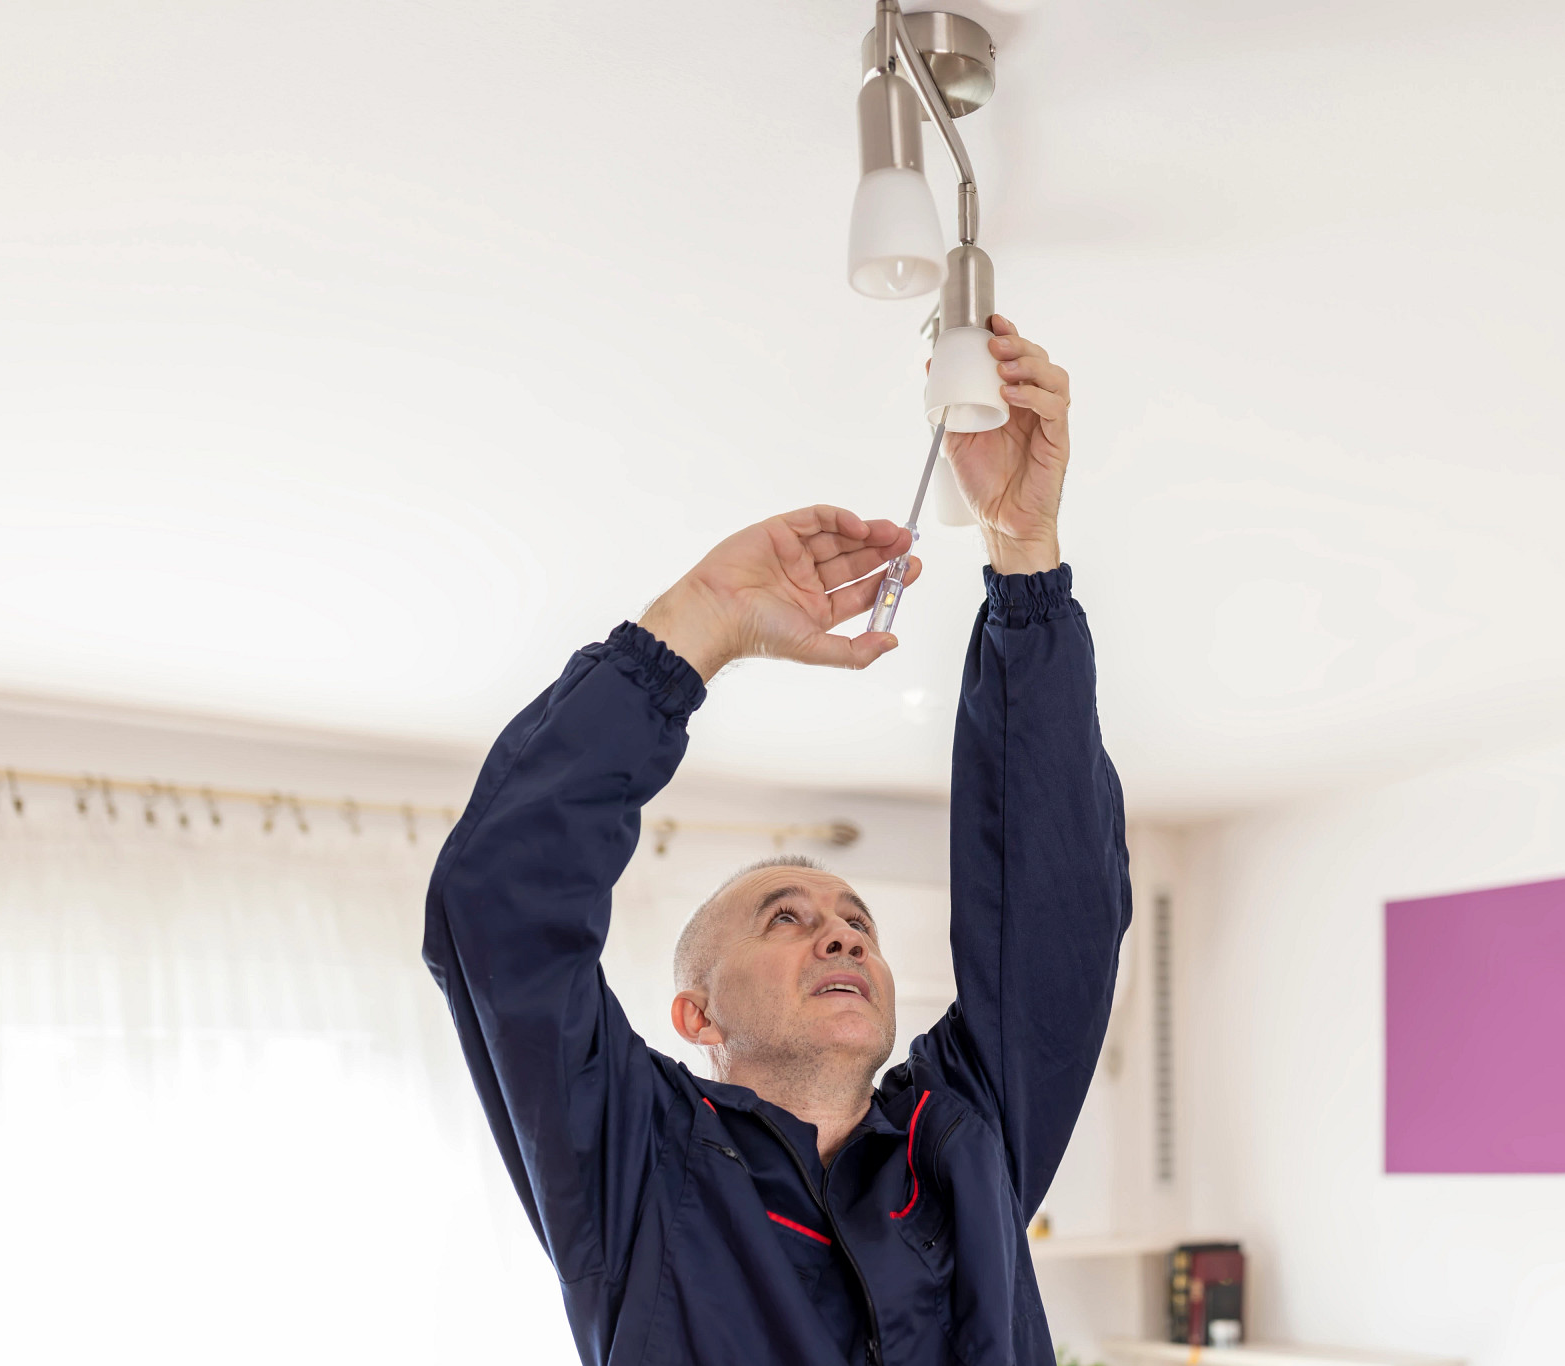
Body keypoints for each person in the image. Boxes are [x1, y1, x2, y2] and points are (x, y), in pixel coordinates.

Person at [423, 316, 1130, 1366]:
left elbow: (1053, 912)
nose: (840, 937)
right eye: (785, 919)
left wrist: (1023, 560)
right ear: (695, 1012)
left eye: (854, 923)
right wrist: (696, 624)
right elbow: (499, 910)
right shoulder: (637, 1163)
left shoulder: (960, 1141)